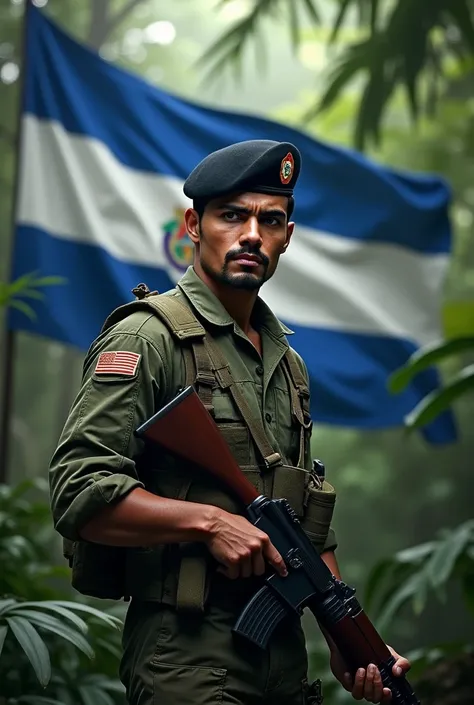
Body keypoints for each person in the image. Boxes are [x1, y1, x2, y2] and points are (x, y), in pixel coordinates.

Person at [49, 139, 410, 705]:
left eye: (270, 220)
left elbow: (306, 526)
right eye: (232, 215)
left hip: (282, 659)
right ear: (194, 224)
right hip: (186, 655)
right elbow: (78, 490)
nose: (251, 235)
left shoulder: (288, 365)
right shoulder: (148, 338)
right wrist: (210, 524)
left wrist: (346, 637)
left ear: (287, 237)